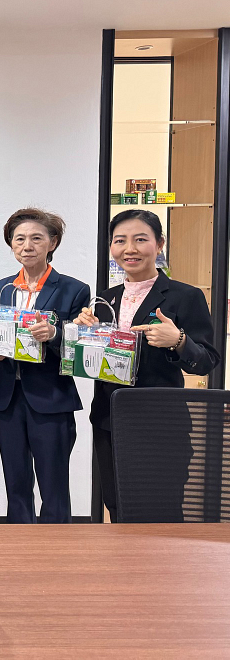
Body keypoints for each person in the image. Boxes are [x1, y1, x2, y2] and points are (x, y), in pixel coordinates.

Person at [75, 209, 218, 521]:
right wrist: (87, 335)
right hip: (109, 419)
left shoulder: (185, 296)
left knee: (162, 509)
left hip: (159, 423)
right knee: (116, 505)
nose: (130, 249)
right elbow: (98, 362)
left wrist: (178, 339)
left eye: (140, 240)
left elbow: (206, 361)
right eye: (120, 241)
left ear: (159, 244)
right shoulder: (105, 299)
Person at [0, 208, 90, 523]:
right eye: (19, 239)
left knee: (53, 485)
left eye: (36, 238)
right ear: (11, 244)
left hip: (51, 397)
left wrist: (54, 334)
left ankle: (56, 548)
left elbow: (79, 346)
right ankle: (19, 545)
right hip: (6, 396)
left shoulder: (74, 289)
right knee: (15, 482)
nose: (27, 246)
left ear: (52, 243)